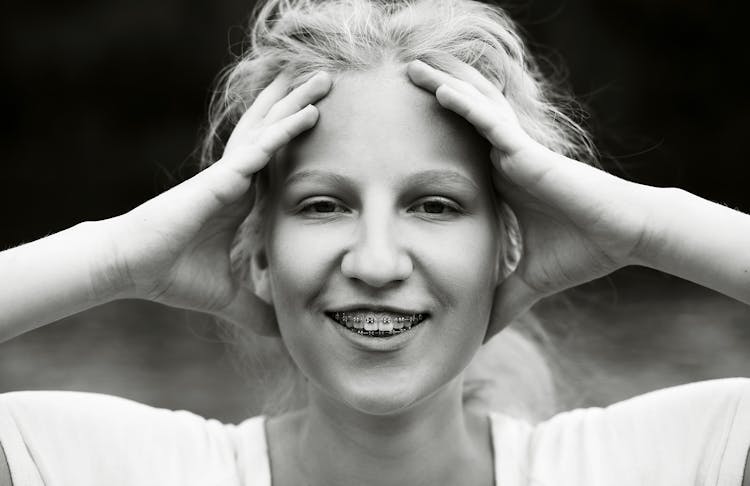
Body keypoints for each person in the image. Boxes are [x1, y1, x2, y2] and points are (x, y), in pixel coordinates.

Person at [1, 0, 750, 484]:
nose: (377, 263)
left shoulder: (660, 463)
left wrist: (647, 225)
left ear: (509, 244)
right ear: (260, 251)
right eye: (324, 205)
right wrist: (117, 255)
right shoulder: (118, 468)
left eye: (434, 205)